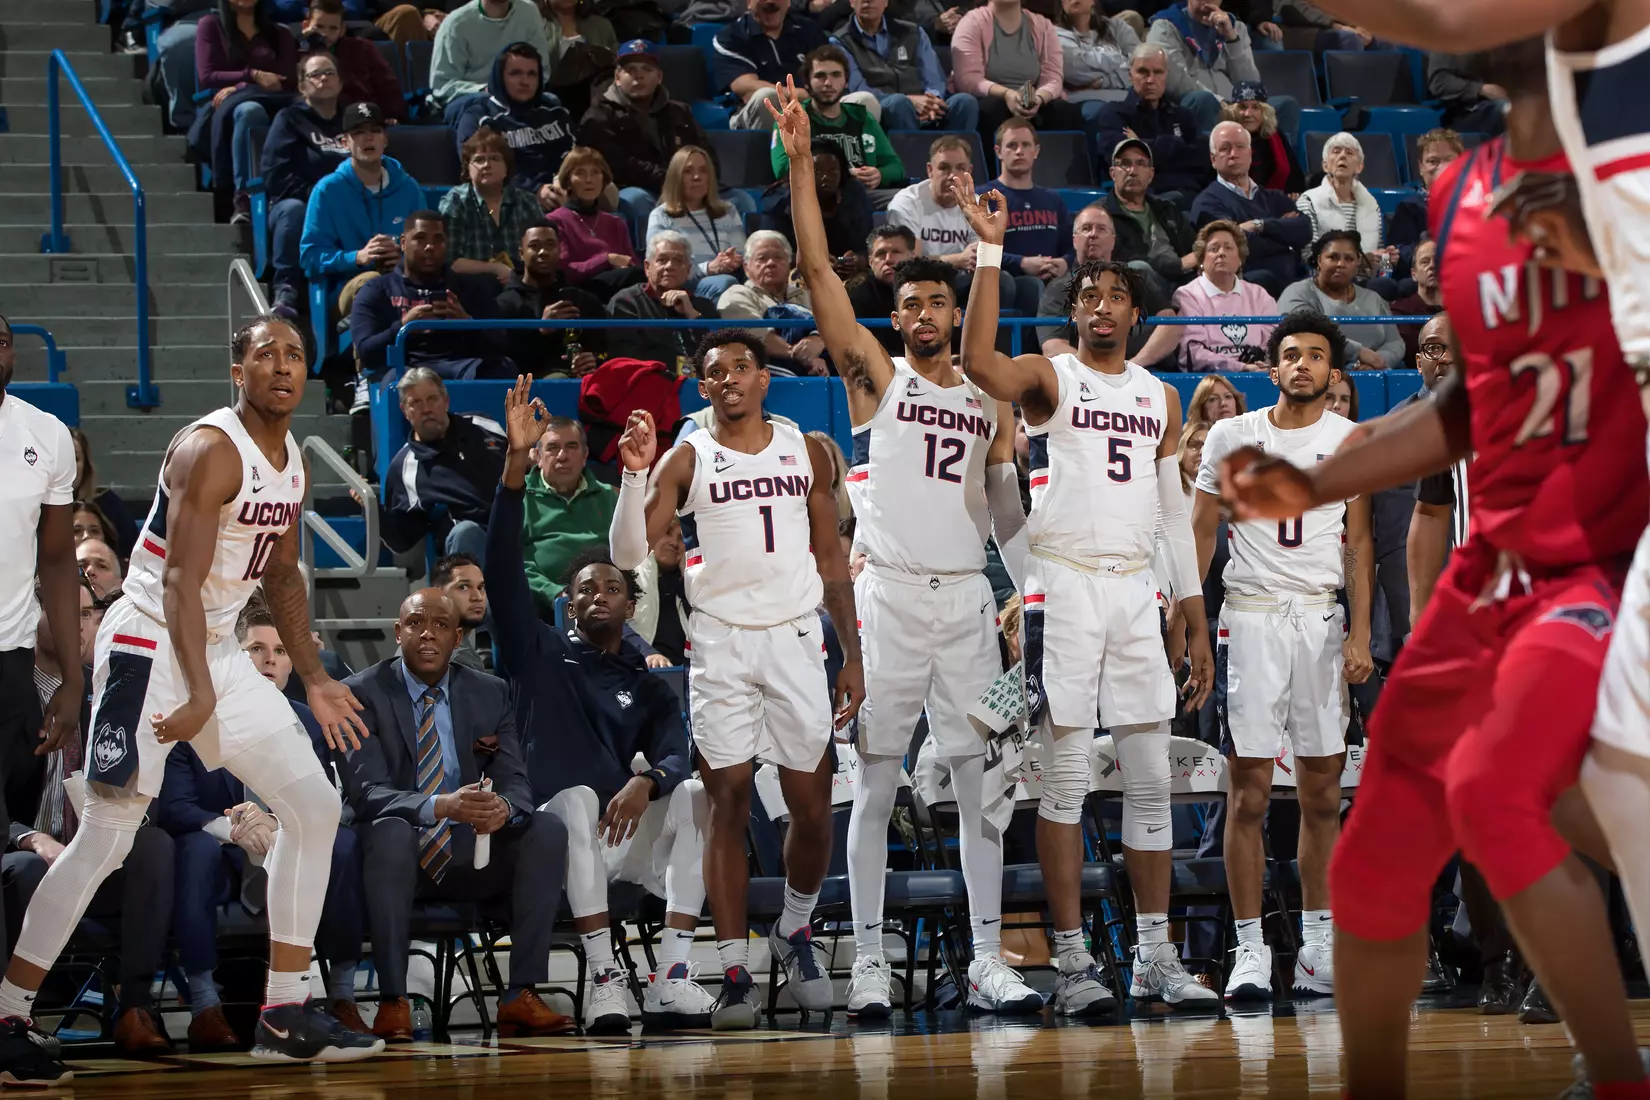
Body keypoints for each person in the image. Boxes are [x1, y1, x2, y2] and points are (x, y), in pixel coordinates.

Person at [1221, 36, 1650, 1099]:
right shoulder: (1462, 191)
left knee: (1503, 791)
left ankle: (1614, 1069)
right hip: (1490, 564)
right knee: (1374, 859)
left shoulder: (1627, 164)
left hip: (1602, 556)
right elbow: (1469, 405)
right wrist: (1318, 480)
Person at [0, 315, 384, 1085]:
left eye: (295, 355)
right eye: (265, 354)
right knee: (107, 839)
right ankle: (9, 1011)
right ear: (234, 370)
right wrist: (202, 692)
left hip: (212, 645)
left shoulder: (291, 466)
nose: (282, 365)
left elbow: (278, 579)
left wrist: (312, 674)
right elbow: (177, 581)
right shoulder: (209, 449)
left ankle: (281, 1009)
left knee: (312, 807)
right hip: (148, 643)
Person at [771, 91, 1041, 1017]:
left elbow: (1008, 512)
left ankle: (986, 958)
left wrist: (1032, 591)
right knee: (878, 786)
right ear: (894, 316)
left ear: (959, 311)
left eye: (939, 300)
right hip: (887, 597)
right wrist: (802, 164)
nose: (923, 311)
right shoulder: (874, 380)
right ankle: (874, 961)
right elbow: (814, 269)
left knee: (983, 793)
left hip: (966, 598)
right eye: (910, 300)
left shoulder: (992, 398)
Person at [951, 175, 1219, 1016]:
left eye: (1115, 297)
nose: (1102, 306)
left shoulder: (1160, 396)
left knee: (1147, 778)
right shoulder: (1053, 377)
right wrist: (990, 254)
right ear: (1074, 313)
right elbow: (976, 362)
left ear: (1137, 314)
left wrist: (1194, 618)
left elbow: (1176, 518)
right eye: (1089, 296)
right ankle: (1071, 963)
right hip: (1061, 582)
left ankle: (1153, 958)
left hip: (1137, 588)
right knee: (1064, 780)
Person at [607, 331, 866, 1029]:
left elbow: (832, 554)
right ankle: (731, 970)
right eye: (713, 372)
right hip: (721, 644)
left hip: (795, 637)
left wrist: (853, 653)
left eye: (740, 368)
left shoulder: (803, 449)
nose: (728, 379)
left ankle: (795, 928)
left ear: (763, 378)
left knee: (812, 808)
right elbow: (627, 551)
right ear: (702, 387)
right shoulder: (687, 455)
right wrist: (635, 478)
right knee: (728, 802)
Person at [486, 383, 712, 1030]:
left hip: (621, 835)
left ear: (629, 600)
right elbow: (501, 565)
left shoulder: (641, 674)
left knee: (694, 794)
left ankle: (671, 973)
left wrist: (651, 779)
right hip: (551, 841)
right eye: (584, 588)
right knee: (581, 801)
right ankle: (604, 977)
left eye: (612, 586)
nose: (598, 596)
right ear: (567, 601)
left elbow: (676, 741)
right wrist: (511, 471)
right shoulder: (536, 651)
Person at [1190, 312, 1372, 1001]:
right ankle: (1249, 949)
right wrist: (1194, 624)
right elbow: (1200, 533)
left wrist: (1358, 633)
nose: (1301, 365)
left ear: (1333, 372)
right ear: (1272, 369)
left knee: (1323, 792)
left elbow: (1357, 545)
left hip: (1321, 622)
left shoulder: (1350, 439)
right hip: (1254, 617)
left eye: (1315, 355)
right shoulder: (1235, 435)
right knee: (1250, 793)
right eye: (1290, 354)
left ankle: (1317, 946)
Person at [343, 589, 575, 1039]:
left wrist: (502, 809)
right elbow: (366, 792)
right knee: (390, 831)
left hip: (472, 852)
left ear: (458, 637)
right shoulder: (361, 693)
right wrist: (438, 806)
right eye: (415, 623)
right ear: (398, 632)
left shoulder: (489, 692)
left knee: (545, 828)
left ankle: (520, 994)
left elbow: (516, 781)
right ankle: (393, 1001)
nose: (427, 634)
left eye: (441, 625)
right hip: (396, 859)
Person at [156, 604, 371, 1047]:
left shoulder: (311, 718)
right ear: (234, 655)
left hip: (288, 840)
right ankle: (203, 1005)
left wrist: (276, 819)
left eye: (279, 650)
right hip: (224, 855)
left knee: (345, 842)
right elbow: (177, 807)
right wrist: (231, 826)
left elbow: (338, 801)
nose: (270, 659)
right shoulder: (193, 714)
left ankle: (344, 996)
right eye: (256, 648)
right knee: (193, 850)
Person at [5, 579, 172, 1058]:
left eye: (86, 614)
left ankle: (134, 1008)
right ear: (31, 617)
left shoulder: (106, 695)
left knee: (154, 847)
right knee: (29, 870)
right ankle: (15, 1014)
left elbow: (149, 792)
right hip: (22, 856)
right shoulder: (9, 695)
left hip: (93, 852)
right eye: (65, 611)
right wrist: (30, 838)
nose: (79, 624)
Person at [348, 211, 516, 381]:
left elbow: (500, 345)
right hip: (405, 369)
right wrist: (403, 327)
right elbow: (367, 353)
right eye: (420, 238)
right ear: (404, 243)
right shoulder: (377, 289)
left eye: (438, 240)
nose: (430, 247)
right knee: (396, 380)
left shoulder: (472, 288)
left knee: (502, 369)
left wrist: (466, 323)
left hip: (460, 367)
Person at [299, 103, 424, 319]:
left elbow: (428, 245)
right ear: (344, 142)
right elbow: (310, 256)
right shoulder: (327, 190)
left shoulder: (409, 188)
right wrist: (357, 257)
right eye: (358, 132)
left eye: (375, 131)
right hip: (348, 287)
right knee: (372, 284)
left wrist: (403, 258)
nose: (368, 138)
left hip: (403, 282)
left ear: (385, 139)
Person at [580, 40, 721, 226]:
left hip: (685, 183)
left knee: (739, 199)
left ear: (659, 76)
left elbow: (704, 151)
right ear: (617, 77)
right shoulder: (599, 115)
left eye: (647, 69)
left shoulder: (679, 111)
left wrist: (699, 179)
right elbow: (617, 164)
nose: (639, 76)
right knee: (638, 201)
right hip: (636, 187)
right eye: (630, 70)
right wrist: (671, 182)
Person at [381, 367, 507, 561]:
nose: (426, 409)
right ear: (405, 411)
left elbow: (523, 470)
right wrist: (374, 512)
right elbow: (401, 540)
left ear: (446, 401)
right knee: (465, 532)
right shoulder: (405, 468)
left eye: (432, 399)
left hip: (517, 528)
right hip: (473, 546)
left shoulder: (483, 426)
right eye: (415, 402)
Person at [1035, 203, 1182, 367]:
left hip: (1143, 369)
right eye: (1086, 228)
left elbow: (1171, 324)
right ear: (1074, 240)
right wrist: (1103, 371)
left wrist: (1131, 367)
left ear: (1113, 240)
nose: (1093, 234)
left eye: (1101, 229)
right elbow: (1053, 347)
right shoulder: (1057, 289)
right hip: (1084, 379)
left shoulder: (1137, 278)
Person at [194, 0, 298, 222]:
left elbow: (286, 78)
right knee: (250, 110)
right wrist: (252, 76)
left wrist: (241, 85)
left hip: (277, 100)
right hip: (232, 107)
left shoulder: (279, 33)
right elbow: (207, 77)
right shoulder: (211, 25)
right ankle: (244, 197)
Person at [264, 51, 350, 316]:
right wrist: (318, 196)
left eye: (329, 73)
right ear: (302, 86)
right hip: (299, 202)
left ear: (340, 82)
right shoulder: (289, 119)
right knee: (293, 211)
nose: (323, 78)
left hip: (348, 205)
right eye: (315, 74)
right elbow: (274, 174)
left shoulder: (352, 121)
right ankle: (286, 288)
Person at [770, 46, 906, 207]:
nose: (828, 83)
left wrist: (880, 174)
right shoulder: (791, 118)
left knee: (907, 200)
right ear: (807, 83)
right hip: (813, 196)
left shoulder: (862, 117)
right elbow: (782, 169)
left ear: (846, 81)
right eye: (820, 76)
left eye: (836, 75)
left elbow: (897, 167)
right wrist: (843, 175)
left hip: (862, 195)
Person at [713, 0, 875, 132]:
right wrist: (800, 95)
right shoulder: (731, 36)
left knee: (865, 101)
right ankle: (775, 169)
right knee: (767, 97)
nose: (771, 2)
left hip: (812, 104)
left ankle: (856, 168)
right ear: (748, 2)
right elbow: (744, 85)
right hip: (756, 113)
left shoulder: (809, 29)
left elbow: (831, 71)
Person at [1190, 120, 1309, 296]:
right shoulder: (1207, 203)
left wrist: (1258, 225)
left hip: (1292, 283)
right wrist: (1283, 235)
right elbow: (1235, 248)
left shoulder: (1274, 197)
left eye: (1240, 147)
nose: (1233, 154)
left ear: (1250, 154)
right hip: (1243, 288)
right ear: (1213, 159)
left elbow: (1304, 231)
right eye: (1225, 148)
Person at [1147, 0, 1299, 137]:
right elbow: (1175, 81)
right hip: (1195, 105)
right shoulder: (1165, 26)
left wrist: (1232, 39)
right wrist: (1218, 101)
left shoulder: (1235, 27)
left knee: (1286, 106)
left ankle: (1280, 165)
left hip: (1235, 105)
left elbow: (1251, 83)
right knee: (1204, 100)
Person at [451, 42, 576, 208]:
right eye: (515, 73)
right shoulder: (479, 117)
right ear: (500, 76)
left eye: (532, 74)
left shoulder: (555, 111)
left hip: (562, 193)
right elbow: (478, 167)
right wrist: (535, 190)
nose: (525, 81)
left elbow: (575, 153)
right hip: (508, 203)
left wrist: (564, 182)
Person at [832, 0, 979, 132]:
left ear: (886, 2)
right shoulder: (841, 42)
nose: (868, 1)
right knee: (899, 104)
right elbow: (859, 89)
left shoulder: (913, 32)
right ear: (851, 2)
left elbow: (933, 77)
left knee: (965, 102)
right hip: (884, 110)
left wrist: (931, 100)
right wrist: (911, 101)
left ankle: (956, 158)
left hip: (925, 107)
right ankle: (910, 159)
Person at [520, 416, 619, 612]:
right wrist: (554, 593)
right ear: (538, 457)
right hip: (538, 604)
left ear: (585, 455)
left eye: (572, 446)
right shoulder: (518, 497)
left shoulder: (608, 497)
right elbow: (512, 560)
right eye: (553, 448)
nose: (563, 456)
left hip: (604, 600)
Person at [949, 0, 1086, 137]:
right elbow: (968, 78)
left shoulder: (1043, 26)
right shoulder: (971, 23)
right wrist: (1007, 94)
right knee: (993, 107)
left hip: (1032, 99)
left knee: (1062, 110)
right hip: (991, 98)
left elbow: (1053, 77)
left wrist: (1038, 98)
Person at [1094, 44, 1211, 199]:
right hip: (1146, 197)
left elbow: (1201, 158)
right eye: (1143, 72)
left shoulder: (1182, 115)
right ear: (1130, 75)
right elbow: (1119, 157)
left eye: (1158, 72)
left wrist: (1140, 144)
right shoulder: (1115, 113)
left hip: (1190, 193)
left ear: (1166, 75)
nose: (1150, 79)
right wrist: (1177, 146)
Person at [982, 118, 1072, 315]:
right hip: (1007, 282)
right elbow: (978, 249)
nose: (1019, 151)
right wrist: (1022, 263)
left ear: (1036, 151)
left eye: (1025, 145)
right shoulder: (984, 197)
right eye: (1012, 145)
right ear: (998, 152)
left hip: (1053, 280)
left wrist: (1064, 262)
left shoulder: (1052, 199)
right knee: (1032, 286)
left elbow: (1071, 246)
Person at [1277, 231, 1404, 370]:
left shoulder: (1373, 298)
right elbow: (1307, 333)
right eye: (1333, 257)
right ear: (1320, 260)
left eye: (1349, 259)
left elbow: (1395, 342)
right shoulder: (1298, 292)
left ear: (1358, 262)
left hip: (1375, 374)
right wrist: (1358, 353)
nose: (1341, 264)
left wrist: (1376, 362)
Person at [494, 223, 608, 377]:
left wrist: (594, 360)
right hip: (533, 387)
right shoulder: (505, 304)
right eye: (534, 246)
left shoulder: (583, 299)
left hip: (586, 383)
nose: (543, 252)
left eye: (550, 245)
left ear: (560, 250)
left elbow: (606, 352)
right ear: (521, 253)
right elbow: (508, 361)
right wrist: (541, 331)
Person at [440, 126, 547, 283]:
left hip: (521, 284)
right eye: (479, 159)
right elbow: (449, 263)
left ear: (506, 168)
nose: (486, 165)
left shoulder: (527, 202)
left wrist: (518, 276)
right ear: (468, 169)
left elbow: (542, 254)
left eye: (494, 158)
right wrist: (495, 269)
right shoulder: (455, 202)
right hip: (470, 286)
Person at [1171, 219, 1278, 371]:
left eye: (1228, 248)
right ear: (1201, 260)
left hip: (1259, 375)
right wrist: (1240, 367)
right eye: (1214, 249)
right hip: (1208, 381)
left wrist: (1262, 364)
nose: (1221, 253)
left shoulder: (1259, 294)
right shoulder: (1187, 295)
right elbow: (1193, 354)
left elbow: (1273, 343)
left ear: (1240, 259)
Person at [715, 232, 828, 376]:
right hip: (765, 372)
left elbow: (832, 325)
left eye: (778, 257)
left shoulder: (805, 294)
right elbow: (757, 338)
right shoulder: (736, 295)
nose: (770, 263)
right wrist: (800, 355)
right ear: (746, 267)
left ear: (789, 263)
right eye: (762, 258)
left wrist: (817, 340)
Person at [646, 147, 749, 304]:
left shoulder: (728, 211)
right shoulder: (662, 215)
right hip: (684, 285)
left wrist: (732, 261)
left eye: (703, 171)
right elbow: (657, 267)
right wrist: (709, 267)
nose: (697, 177)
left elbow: (741, 253)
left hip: (730, 280)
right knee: (725, 283)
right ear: (676, 177)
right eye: (688, 171)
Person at [607, 232, 725, 368]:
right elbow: (625, 359)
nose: (670, 266)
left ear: (688, 270)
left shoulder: (703, 306)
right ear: (647, 267)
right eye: (662, 260)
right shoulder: (626, 302)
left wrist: (693, 317)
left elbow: (721, 358)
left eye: (678, 260)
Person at [544, 147, 646, 301]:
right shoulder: (555, 221)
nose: (589, 180)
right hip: (581, 292)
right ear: (568, 181)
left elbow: (632, 264)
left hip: (621, 289)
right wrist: (607, 260)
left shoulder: (615, 223)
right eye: (580, 173)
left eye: (595, 173)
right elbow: (564, 271)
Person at [764, 142, 875, 282]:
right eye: (817, 172)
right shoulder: (782, 202)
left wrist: (858, 260)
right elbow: (771, 252)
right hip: (799, 275)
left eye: (832, 171)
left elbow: (870, 246)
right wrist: (811, 261)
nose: (825, 177)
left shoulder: (854, 197)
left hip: (849, 276)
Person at [1295, 132, 1398, 283]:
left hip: (1366, 283)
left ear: (1359, 167)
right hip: (1325, 281)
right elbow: (1308, 257)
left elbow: (1377, 255)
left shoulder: (1371, 204)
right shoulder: (1309, 201)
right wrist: (1358, 262)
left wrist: (1386, 259)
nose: (1342, 156)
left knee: (1388, 285)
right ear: (1325, 165)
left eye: (1349, 153)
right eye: (1336, 152)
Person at [429, 0, 550, 124]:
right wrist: (490, 90)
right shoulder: (456, 23)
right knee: (482, 111)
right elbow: (443, 86)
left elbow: (542, 69)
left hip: (518, 94)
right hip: (475, 98)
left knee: (552, 103)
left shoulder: (529, 12)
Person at [1105, 137, 1197, 295]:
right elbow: (1121, 262)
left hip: (1182, 283)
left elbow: (1194, 246)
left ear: (1151, 174)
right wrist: (1178, 265)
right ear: (1113, 173)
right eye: (1125, 164)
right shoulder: (1101, 216)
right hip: (1139, 289)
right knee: (1138, 269)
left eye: (1141, 163)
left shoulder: (1167, 208)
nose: (1133, 171)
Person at [298, 0, 407, 122]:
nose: (325, 34)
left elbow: (387, 85)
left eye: (333, 28)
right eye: (319, 27)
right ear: (306, 26)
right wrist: (309, 46)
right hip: (312, 121)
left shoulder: (362, 49)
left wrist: (390, 115)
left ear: (342, 30)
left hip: (361, 119)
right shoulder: (296, 51)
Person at [1054, 0, 1141, 122]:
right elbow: (1075, 70)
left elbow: (1141, 70)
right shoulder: (1054, 35)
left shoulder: (1119, 28)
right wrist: (1119, 58)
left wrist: (1103, 81)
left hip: (1128, 97)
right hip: (1085, 101)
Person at [1387, 129, 1462, 265]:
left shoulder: (1479, 204)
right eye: (1433, 161)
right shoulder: (1408, 208)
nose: (1441, 167)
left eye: (1448, 160)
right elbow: (1402, 256)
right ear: (1421, 167)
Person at [849, 225, 919, 356]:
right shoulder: (856, 299)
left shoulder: (931, 291)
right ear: (870, 261)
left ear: (912, 257)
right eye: (881, 254)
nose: (888, 259)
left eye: (896, 252)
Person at [69, 428, 137, 560]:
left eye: (76, 458)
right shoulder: (33, 508)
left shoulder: (110, 506)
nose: (68, 465)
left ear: (86, 466)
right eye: (60, 459)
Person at [1225, 80, 1303, 196]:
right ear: (1233, 112)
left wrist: (1293, 196)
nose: (1248, 114)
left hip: (1276, 204)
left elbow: (1295, 179)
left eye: (1256, 107)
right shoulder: (1222, 138)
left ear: (1265, 111)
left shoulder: (1276, 136)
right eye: (1242, 107)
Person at [1390, 238, 1442, 368]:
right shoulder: (1400, 313)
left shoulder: (1462, 310)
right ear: (1414, 274)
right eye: (1425, 262)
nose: (1432, 266)